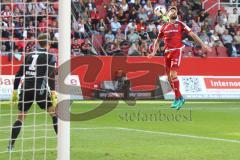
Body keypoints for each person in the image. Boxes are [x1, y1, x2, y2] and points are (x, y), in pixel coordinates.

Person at [148, 6, 211, 110]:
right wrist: (153, 52)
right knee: (169, 78)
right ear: (167, 15)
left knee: (173, 74)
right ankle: (180, 97)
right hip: (167, 53)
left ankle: (177, 99)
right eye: (171, 10)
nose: (173, 11)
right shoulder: (164, 27)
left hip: (177, 51)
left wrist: (203, 45)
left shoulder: (180, 24)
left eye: (175, 10)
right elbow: (158, 41)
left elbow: (193, 35)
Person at [9, 34, 58, 151]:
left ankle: (10, 145)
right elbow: (51, 77)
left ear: (38, 42)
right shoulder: (50, 56)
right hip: (40, 89)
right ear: (49, 43)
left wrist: (15, 91)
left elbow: (19, 74)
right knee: (55, 114)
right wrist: (53, 92)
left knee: (20, 117)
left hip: (26, 89)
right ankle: (61, 144)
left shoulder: (29, 55)